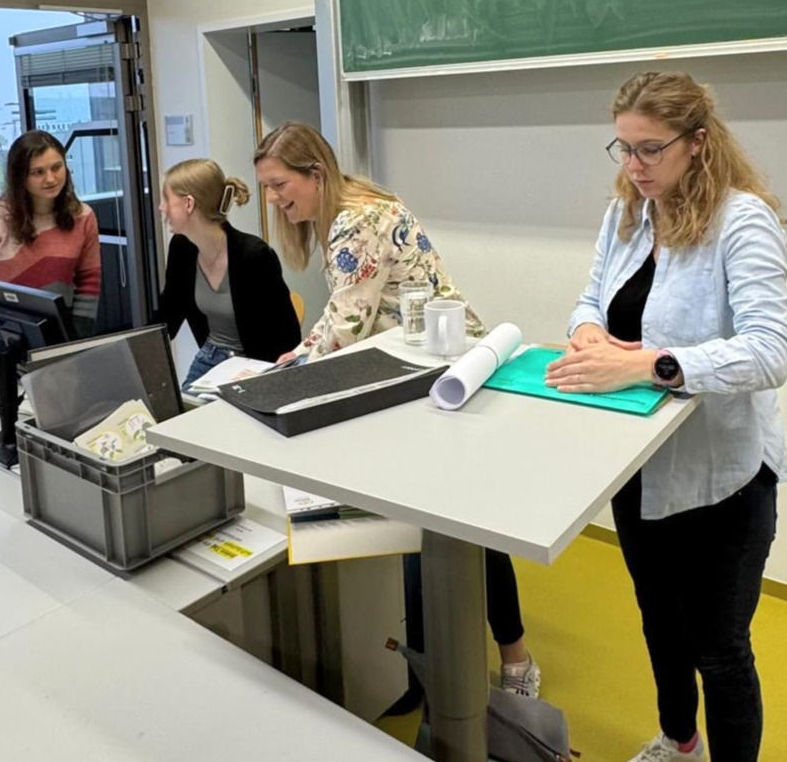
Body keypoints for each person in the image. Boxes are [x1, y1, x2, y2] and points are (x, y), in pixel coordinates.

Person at [546, 71, 787, 762]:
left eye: (650, 149)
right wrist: (588, 331)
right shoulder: (626, 214)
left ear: (697, 143)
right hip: (638, 466)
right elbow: (592, 297)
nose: (634, 165)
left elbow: (768, 351)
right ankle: (680, 741)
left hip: (723, 476)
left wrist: (650, 363)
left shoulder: (741, 221)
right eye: (622, 148)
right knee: (660, 622)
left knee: (720, 648)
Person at [253, 121, 540, 697]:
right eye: (266, 187)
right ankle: (424, 663)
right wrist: (304, 352)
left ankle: (513, 661)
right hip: (417, 372)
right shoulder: (354, 201)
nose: (275, 200)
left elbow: (349, 321)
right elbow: (347, 317)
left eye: (281, 185)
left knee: (460, 530)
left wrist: (290, 366)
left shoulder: (356, 221)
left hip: (440, 378)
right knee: (429, 530)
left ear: (316, 173)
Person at [0, 130, 100, 386]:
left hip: (56, 346)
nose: (51, 178)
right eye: (38, 172)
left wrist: (75, 343)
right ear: (20, 177)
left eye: (57, 167)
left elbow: (89, 281)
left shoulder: (83, 217)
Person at [156, 158, 299, 389]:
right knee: (179, 417)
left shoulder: (254, 256)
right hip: (210, 359)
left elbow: (286, 335)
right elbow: (168, 314)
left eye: (166, 199)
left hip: (253, 364)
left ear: (188, 204)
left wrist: (261, 378)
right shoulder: (181, 248)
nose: (161, 207)